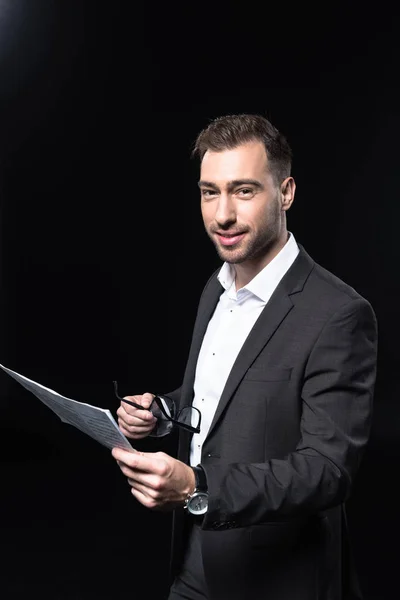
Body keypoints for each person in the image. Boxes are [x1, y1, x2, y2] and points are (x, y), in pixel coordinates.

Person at [111, 114, 378, 600]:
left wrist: (197, 487)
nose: (222, 215)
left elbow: (328, 470)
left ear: (286, 192)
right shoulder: (216, 287)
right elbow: (223, 397)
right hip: (194, 557)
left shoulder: (339, 314)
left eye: (244, 190)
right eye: (210, 192)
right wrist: (163, 413)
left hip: (276, 578)